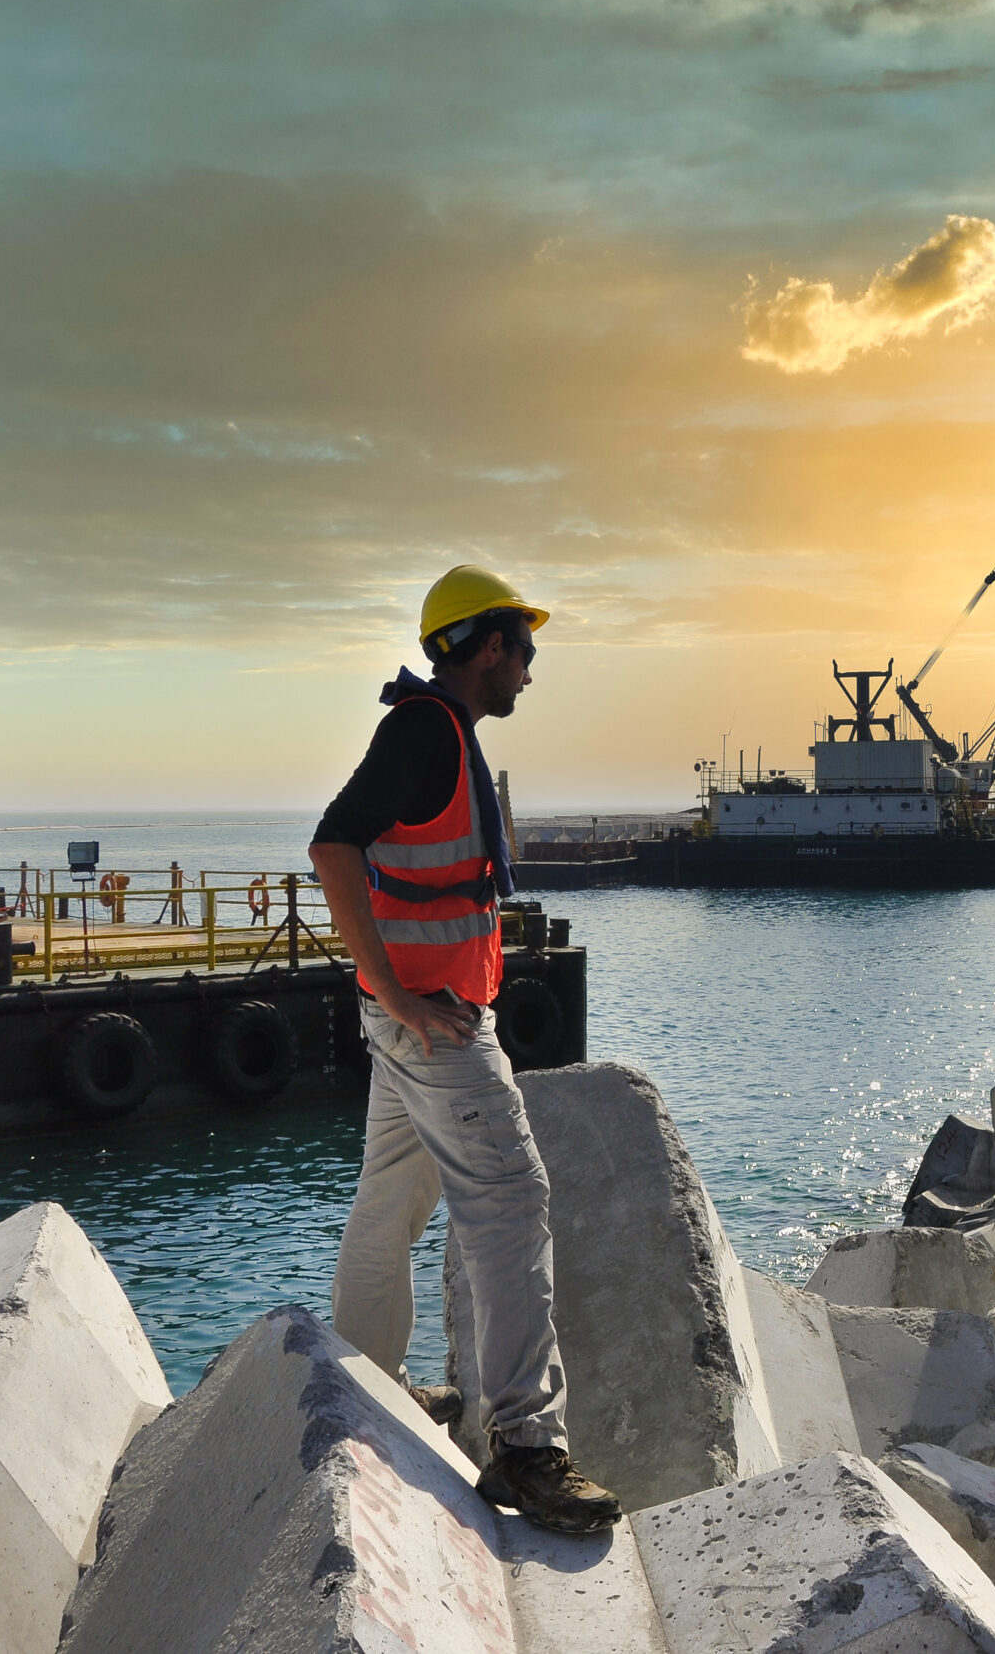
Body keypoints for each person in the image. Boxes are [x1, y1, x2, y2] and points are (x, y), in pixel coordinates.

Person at [308, 564, 619, 1535]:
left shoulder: (439, 731)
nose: (529, 668)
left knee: (390, 1199)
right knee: (511, 1201)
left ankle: (369, 1380)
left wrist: (389, 996)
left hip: (413, 1018)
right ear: (488, 646)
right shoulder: (426, 732)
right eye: (524, 648)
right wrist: (398, 989)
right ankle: (526, 1446)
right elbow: (332, 846)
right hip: (435, 1023)